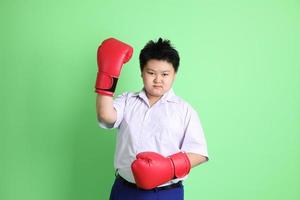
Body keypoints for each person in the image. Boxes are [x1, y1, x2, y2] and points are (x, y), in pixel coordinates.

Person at [95, 37, 209, 200]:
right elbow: (105, 116)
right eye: (151, 73)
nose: (158, 80)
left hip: (166, 193)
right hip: (125, 189)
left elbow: (199, 153)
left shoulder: (184, 110)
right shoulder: (128, 100)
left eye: (165, 74)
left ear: (174, 74)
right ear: (141, 72)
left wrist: (168, 167)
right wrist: (107, 74)